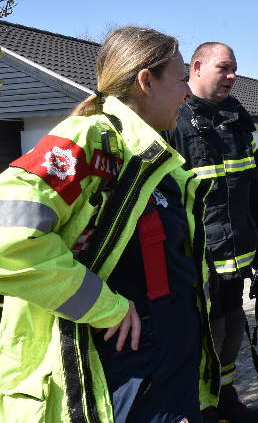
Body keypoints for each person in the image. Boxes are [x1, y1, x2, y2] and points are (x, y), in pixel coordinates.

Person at [0, 26, 219, 422]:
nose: (188, 92)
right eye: (182, 78)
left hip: (166, 377)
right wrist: (107, 308)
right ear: (145, 81)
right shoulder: (91, 139)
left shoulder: (155, 160)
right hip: (121, 381)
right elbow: (8, 236)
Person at [165, 42, 258, 423]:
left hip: (237, 249)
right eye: (224, 68)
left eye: (235, 69)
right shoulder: (174, 117)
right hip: (197, 254)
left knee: (230, 328)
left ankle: (225, 398)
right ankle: (199, 408)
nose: (232, 77)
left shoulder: (236, 116)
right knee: (201, 333)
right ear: (196, 67)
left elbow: (255, 176)